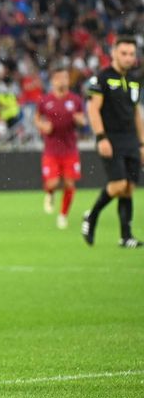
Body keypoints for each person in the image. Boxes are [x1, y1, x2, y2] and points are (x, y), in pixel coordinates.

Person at [81, 36, 143, 248]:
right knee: (118, 185)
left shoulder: (135, 79)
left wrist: (142, 143)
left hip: (131, 140)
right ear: (114, 53)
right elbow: (92, 109)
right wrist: (101, 137)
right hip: (111, 138)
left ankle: (126, 236)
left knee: (128, 188)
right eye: (124, 53)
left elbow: (136, 113)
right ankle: (92, 215)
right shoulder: (103, 78)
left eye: (132, 54)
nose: (128, 58)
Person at [35, 67, 85, 229]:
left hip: (70, 149)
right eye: (58, 78)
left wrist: (80, 121)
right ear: (52, 81)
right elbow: (37, 119)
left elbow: (83, 121)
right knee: (53, 183)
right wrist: (43, 126)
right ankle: (49, 194)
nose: (62, 81)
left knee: (70, 184)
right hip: (51, 150)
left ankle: (63, 215)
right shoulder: (45, 101)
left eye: (65, 77)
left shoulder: (75, 100)